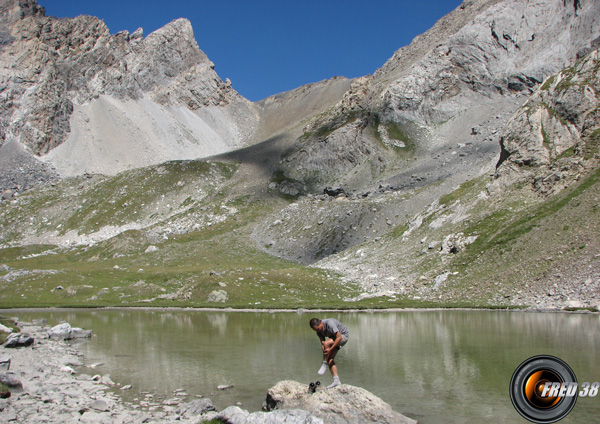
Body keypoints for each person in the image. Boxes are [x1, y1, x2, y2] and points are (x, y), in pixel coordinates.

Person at [309, 317, 349, 388]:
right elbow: (322, 340)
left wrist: (330, 349)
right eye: (315, 330)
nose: (317, 330)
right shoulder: (318, 330)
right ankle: (336, 380)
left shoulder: (329, 323)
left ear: (320, 323)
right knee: (330, 359)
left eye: (318, 329)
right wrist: (323, 346)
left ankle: (324, 363)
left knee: (327, 344)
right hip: (334, 338)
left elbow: (339, 337)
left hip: (343, 336)